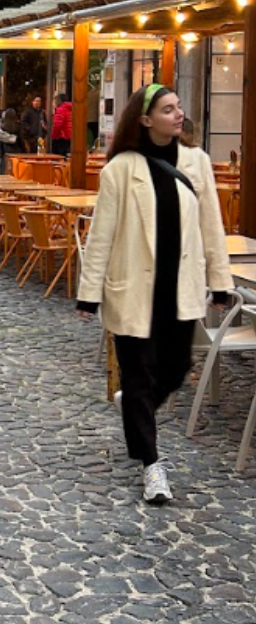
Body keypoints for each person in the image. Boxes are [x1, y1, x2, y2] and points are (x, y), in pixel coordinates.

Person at [77, 84, 231, 505]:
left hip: (179, 290)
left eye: (179, 107)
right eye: (168, 109)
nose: (178, 114)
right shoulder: (121, 169)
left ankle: (133, 406)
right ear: (145, 120)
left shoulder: (197, 162)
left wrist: (220, 282)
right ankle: (151, 465)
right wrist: (88, 294)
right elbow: (101, 236)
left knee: (179, 367)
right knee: (140, 375)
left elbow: (211, 227)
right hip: (133, 289)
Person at [0, 108, 20, 173]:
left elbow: (0, 135)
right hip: (15, 150)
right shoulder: (17, 125)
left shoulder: (2, 125)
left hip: (3, 150)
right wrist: (14, 138)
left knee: (3, 167)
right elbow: (0, 135)